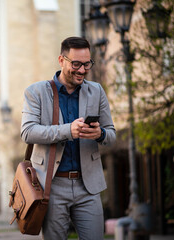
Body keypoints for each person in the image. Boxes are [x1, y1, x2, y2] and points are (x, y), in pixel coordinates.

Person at [21, 36, 116, 240]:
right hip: (52, 186)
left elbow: (112, 134)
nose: (82, 70)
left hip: (89, 186)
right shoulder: (35, 92)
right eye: (76, 64)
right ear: (61, 60)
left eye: (87, 64)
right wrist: (67, 130)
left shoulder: (97, 91)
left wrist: (101, 134)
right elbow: (28, 132)